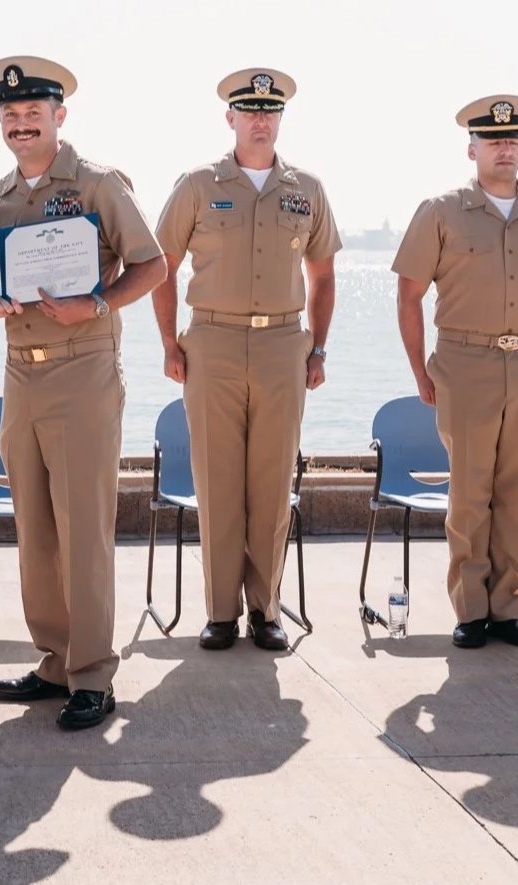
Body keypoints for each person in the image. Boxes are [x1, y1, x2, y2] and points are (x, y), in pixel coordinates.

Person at [0, 56, 167, 730]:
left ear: (58, 116)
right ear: (0, 122)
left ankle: (93, 674)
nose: (22, 124)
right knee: (37, 528)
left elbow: (153, 265)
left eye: (33, 113)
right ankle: (54, 661)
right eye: (10, 115)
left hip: (82, 370)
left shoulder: (98, 184)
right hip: (20, 372)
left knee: (82, 527)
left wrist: (95, 304)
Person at [151, 68, 340, 651]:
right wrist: (169, 343)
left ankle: (266, 610)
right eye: (250, 110)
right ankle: (219, 613)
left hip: (284, 344)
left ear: (280, 117)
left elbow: (323, 274)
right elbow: (161, 266)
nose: (260, 119)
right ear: (230, 117)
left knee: (272, 482)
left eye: (270, 109)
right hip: (213, 342)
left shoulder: (307, 189)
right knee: (217, 481)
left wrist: (318, 347)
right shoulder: (197, 185)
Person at [392, 95, 518, 649]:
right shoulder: (441, 211)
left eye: (513, 139)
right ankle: (471, 610)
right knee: (470, 493)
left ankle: (508, 608)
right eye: (493, 140)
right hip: (465, 363)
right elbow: (408, 295)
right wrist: (420, 371)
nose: (505, 148)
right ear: (471, 149)